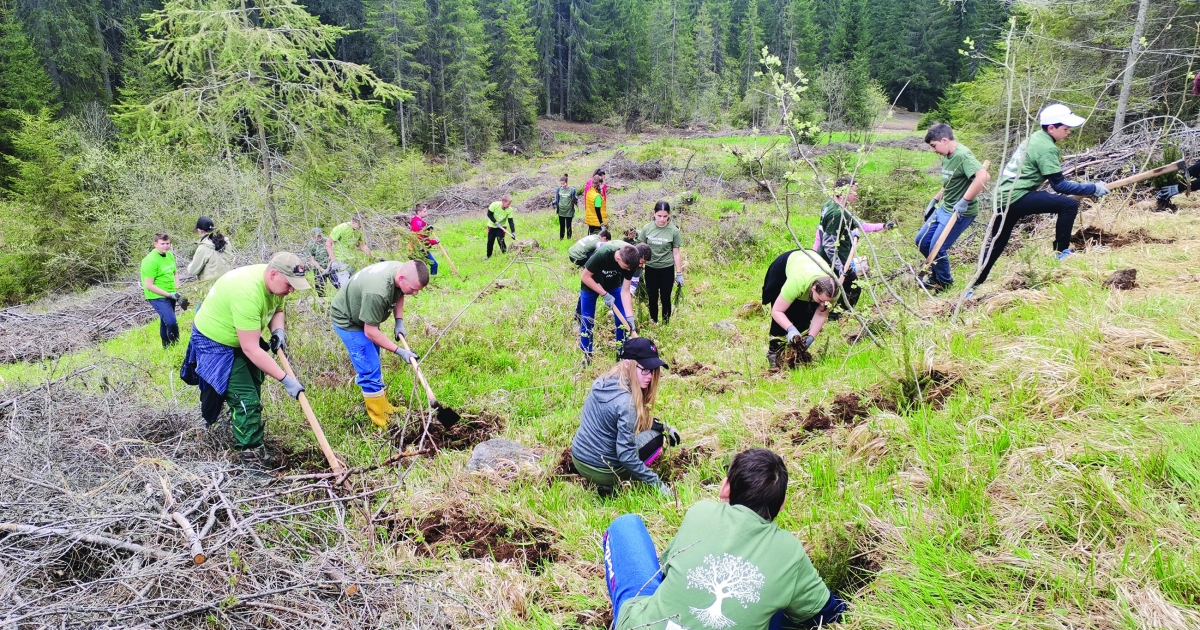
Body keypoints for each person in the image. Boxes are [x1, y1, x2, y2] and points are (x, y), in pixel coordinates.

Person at [603, 448, 847, 630]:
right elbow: (825, 614)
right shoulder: (790, 552)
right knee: (776, 612)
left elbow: (665, 573)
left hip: (649, 625)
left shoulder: (701, 512)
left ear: (725, 488)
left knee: (626, 525)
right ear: (781, 505)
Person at [179, 253, 311, 466]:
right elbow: (251, 349)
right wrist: (286, 380)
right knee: (245, 399)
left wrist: (278, 331)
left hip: (241, 335)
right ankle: (251, 459)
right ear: (274, 274)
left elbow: (277, 306)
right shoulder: (248, 293)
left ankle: (250, 437)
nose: (292, 290)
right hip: (216, 343)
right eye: (289, 284)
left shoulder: (273, 281)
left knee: (253, 384)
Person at [974, 104, 1110, 289]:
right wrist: (1092, 188)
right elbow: (1059, 185)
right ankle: (1062, 252)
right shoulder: (1046, 147)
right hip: (1016, 196)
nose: (1069, 132)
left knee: (997, 244)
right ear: (1051, 128)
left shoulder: (1036, 138)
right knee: (1068, 205)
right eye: (1065, 128)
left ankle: (974, 284)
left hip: (1001, 198)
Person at [570, 337, 678, 497]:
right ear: (627, 364)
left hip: (579, 458)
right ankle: (609, 486)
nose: (650, 376)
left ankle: (603, 482)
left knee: (650, 431)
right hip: (603, 470)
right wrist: (657, 483)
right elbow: (625, 456)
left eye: (653, 369)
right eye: (645, 369)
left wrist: (663, 426)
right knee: (655, 439)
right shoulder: (627, 404)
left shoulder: (603, 381)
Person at [330, 260, 428, 428]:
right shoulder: (378, 292)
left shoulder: (400, 272)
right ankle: (380, 421)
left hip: (364, 316)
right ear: (402, 278)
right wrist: (400, 351)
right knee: (369, 368)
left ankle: (385, 408)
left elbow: (400, 293)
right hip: (349, 322)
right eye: (414, 289)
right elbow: (370, 332)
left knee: (374, 360)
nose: (416, 293)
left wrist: (399, 321)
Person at [915, 123, 990, 292]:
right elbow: (950, 182)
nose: (934, 150)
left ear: (944, 140)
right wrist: (934, 200)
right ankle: (936, 276)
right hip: (944, 207)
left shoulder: (963, 155)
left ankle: (943, 282)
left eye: (934, 146)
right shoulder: (947, 156)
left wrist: (964, 200)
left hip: (960, 212)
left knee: (937, 247)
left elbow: (983, 176)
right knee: (921, 241)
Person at [816, 177, 888, 313]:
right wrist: (841, 267)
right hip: (834, 259)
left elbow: (860, 224)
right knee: (852, 286)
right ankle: (837, 315)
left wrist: (883, 226)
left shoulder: (833, 205)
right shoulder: (837, 214)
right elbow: (829, 244)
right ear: (843, 193)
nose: (856, 195)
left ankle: (829, 313)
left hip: (831, 257)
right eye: (853, 192)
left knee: (832, 287)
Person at [761, 249, 839, 368]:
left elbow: (821, 314)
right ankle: (774, 353)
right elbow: (777, 311)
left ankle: (795, 354)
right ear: (813, 288)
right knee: (786, 313)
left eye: (827, 302)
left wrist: (810, 337)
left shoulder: (833, 291)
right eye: (821, 300)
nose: (823, 305)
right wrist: (790, 328)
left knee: (804, 317)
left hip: (811, 264)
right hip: (785, 268)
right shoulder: (797, 282)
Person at [579, 243, 651, 362]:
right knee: (587, 320)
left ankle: (621, 354)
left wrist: (630, 317)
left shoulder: (631, 262)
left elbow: (626, 291)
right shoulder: (603, 254)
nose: (628, 270)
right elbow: (585, 277)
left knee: (622, 319)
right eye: (626, 267)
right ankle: (587, 355)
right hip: (591, 284)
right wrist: (604, 294)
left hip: (613, 284)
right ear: (619, 258)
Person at [636, 201, 684, 324]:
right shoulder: (647, 228)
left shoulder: (673, 231)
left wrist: (679, 273)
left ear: (669, 215)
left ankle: (666, 322)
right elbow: (640, 249)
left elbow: (676, 253)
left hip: (666, 268)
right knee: (652, 297)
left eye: (665, 216)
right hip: (651, 268)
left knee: (665, 297)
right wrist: (638, 267)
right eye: (659, 216)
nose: (662, 219)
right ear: (654, 214)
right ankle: (654, 321)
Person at [141, 232, 181, 348]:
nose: (165, 246)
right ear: (155, 244)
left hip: (171, 293)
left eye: (167, 243)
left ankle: (167, 347)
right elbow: (149, 285)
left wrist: (177, 289)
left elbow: (175, 273)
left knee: (165, 322)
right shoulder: (150, 260)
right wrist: (168, 295)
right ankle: (175, 345)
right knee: (171, 321)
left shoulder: (169, 256)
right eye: (162, 243)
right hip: (157, 296)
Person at [328, 215, 373, 286]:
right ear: (354, 222)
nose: (360, 228)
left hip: (352, 262)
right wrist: (333, 259)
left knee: (353, 286)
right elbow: (328, 243)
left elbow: (362, 245)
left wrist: (373, 257)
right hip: (341, 261)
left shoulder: (359, 231)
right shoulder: (341, 228)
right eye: (360, 225)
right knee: (345, 286)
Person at [187, 216, 231, 289]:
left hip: (210, 288)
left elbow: (193, 271)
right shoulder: (226, 242)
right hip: (227, 284)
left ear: (199, 231)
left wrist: (189, 266)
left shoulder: (204, 247)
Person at [410, 204, 439, 275]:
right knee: (433, 264)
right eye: (424, 211)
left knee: (423, 267)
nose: (426, 213)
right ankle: (432, 281)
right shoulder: (418, 223)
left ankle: (428, 282)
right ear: (419, 212)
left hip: (420, 248)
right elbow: (421, 239)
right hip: (419, 248)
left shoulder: (417, 221)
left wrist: (428, 229)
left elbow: (423, 233)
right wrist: (434, 241)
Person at [305, 228, 335, 296]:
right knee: (320, 287)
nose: (318, 238)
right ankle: (322, 300)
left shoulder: (327, 241)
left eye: (319, 236)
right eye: (315, 237)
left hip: (330, 265)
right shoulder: (311, 245)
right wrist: (321, 269)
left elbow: (332, 254)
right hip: (318, 268)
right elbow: (312, 259)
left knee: (336, 282)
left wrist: (328, 267)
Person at [486, 194, 515, 258]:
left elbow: (511, 221)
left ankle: (505, 254)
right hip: (492, 225)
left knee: (500, 240)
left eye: (510, 204)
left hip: (501, 226)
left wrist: (513, 232)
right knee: (490, 241)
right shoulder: (494, 205)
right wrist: (495, 222)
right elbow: (489, 214)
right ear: (503, 202)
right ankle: (488, 256)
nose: (509, 206)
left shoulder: (509, 210)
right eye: (508, 204)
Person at [553, 173, 579, 240]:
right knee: (562, 226)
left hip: (569, 211)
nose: (562, 185)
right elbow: (557, 199)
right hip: (561, 211)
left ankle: (568, 239)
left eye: (563, 183)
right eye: (561, 184)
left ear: (567, 182)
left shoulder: (572, 190)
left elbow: (574, 198)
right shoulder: (559, 189)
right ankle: (561, 239)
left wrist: (576, 199)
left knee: (568, 226)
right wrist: (553, 203)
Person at [583, 169, 609, 235]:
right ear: (599, 184)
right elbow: (598, 211)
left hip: (591, 220)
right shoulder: (597, 197)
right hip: (597, 222)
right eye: (602, 183)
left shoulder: (590, 192)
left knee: (590, 236)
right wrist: (602, 223)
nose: (603, 185)